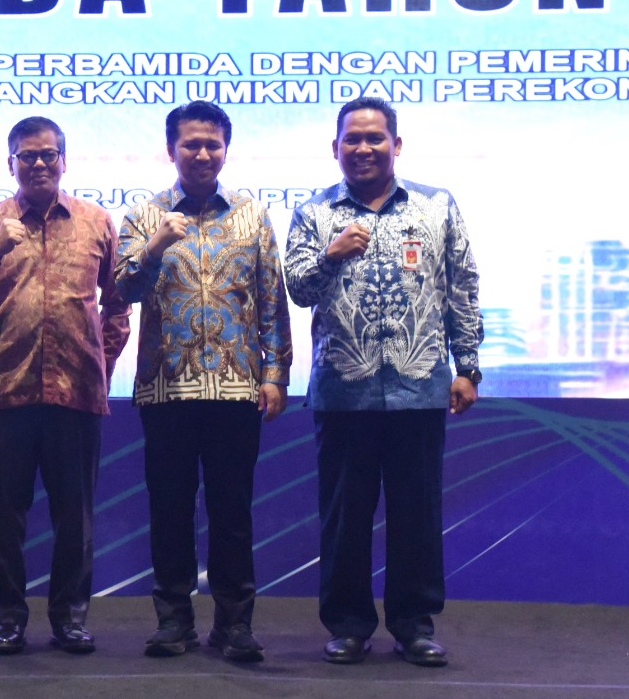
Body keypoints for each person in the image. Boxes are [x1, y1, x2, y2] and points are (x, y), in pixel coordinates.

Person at [283, 98, 482, 668]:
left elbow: (462, 285)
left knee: (416, 515)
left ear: (396, 145)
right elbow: (297, 287)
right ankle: (348, 626)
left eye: (375, 138)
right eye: (352, 139)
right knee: (345, 518)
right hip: (343, 391)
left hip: (419, 386)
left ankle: (414, 626)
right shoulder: (314, 212)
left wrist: (468, 366)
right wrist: (330, 254)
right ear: (335, 148)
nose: (363, 148)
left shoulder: (436, 206)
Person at [115, 101, 291, 663]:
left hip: (238, 389)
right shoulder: (145, 215)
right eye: (191, 144)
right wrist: (155, 246)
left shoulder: (252, 216)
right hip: (166, 388)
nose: (202, 154)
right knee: (169, 510)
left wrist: (276, 373)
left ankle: (235, 625)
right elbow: (120, 290)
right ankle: (173, 621)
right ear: (172, 150)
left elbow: (271, 300)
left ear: (225, 150)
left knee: (232, 511)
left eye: (212, 144)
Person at [0, 116, 131, 655]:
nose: (39, 164)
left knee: (75, 518)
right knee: (5, 518)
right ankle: (8, 620)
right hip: (4, 393)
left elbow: (119, 305)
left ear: (64, 161)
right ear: (10, 164)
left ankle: (70, 619)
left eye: (48, 154)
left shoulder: (96, 221)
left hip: (76, 394)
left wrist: (99, 365)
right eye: (27, 156)